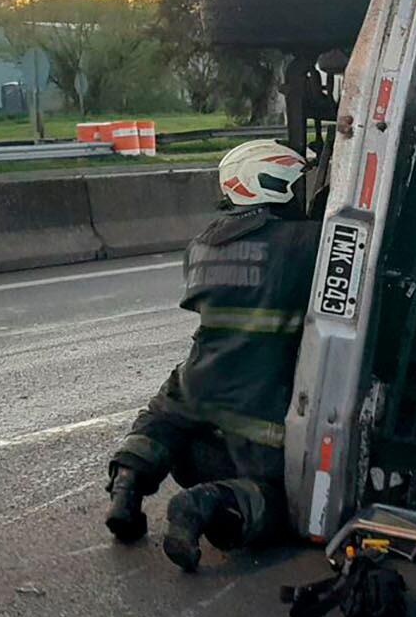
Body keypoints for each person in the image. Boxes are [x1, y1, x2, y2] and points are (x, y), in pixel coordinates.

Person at [103, 139, 320, 572]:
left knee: (160, 417)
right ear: (271, 185)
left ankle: (127, 485)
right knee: (286, 501)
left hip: (201, 380)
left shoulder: (201, 244)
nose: (301, 195)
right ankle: (201, 507)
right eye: (296, 185)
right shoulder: (302, 243)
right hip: (257, 401)